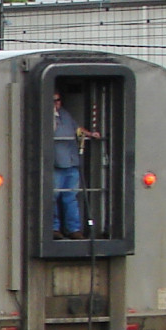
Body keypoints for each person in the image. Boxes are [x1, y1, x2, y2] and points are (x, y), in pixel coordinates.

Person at [52, 93, 100, 240]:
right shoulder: (45, 116)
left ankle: (74, 229)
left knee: (70, 197)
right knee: (53, 197)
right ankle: (54, 228)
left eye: (58, 100)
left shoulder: (65, 114)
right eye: (53, 100)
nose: (57, 103)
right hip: (55, 164)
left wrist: (91, 134)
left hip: (72, 163)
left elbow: (77, 128)